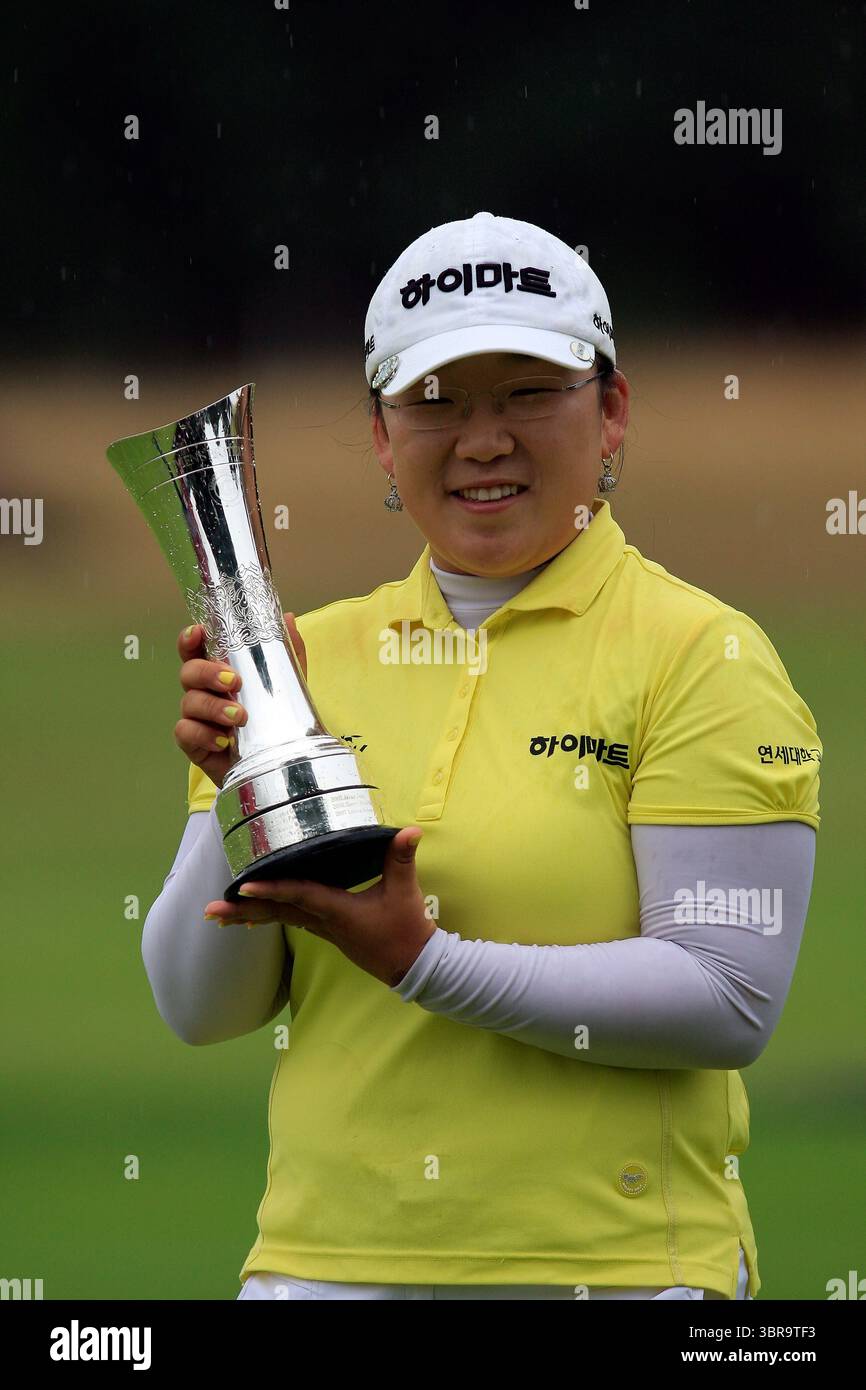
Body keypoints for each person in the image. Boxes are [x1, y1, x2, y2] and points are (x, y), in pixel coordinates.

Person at [142, 212, 821, 1301]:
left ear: (611, 414)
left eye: (525, 393)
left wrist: (424, 962)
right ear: (379, 435)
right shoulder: (301, 657)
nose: (481, 438)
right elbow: (198, 1004)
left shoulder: (704, 654)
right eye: (435, 402)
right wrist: (239, 801)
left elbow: (725, 996)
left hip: (617, 1273)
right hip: (321, 1268)